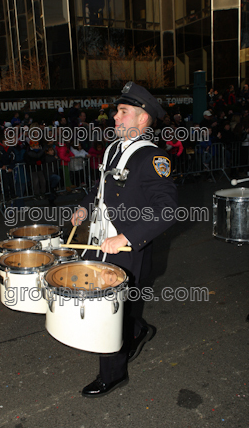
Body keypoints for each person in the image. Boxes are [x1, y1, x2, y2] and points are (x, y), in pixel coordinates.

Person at [71, 82, 178, 398]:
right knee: (122, 307)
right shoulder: (116, 149)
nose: (115, 117)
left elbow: (168, 210)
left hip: (127, 249)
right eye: (117, 111)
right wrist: (84, 206)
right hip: (102, 242)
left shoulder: (151, 158)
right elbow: (103, 189)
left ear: (143, 119)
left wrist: (126, 236)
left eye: (123, 112)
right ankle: (139, 329)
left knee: (110, 314)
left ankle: (112, 375)